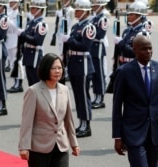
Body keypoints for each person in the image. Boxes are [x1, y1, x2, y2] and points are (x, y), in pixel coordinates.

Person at [112, 35, 158, 167]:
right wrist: (117, 136)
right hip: (133, 133)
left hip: (154, 134)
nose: (148, 52)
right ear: (135, 50)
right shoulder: (124, 72)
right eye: (144, 49)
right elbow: (117, 106)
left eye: (150, 48)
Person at [18, 53, 80, 167]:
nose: (58, 71)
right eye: (53, 68)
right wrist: (24, 147)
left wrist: (74, 143)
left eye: (60, 68)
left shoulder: (65, 90)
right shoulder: (33, 91)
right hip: (39, 147)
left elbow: (68, 120)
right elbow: (27, 122)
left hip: (61, 146)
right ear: (46, 69)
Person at [61, 0, 96, 138]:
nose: (76, 12)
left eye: (79, 10)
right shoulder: (76, 26)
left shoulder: (89, 27)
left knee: (83, 95)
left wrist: (69, 40)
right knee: (77, 96)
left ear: (86, 12)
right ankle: (81, 123)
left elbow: (85, 46)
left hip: (84, 64)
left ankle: (86, 125)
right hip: (74, 63)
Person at [19, 0, 48, 86]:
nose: (31, 10)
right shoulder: (30, 23)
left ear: (40, 9)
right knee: (31, 84)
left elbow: (37, 41)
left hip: (35, 55)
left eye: (34, 8)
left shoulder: (41, 24)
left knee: (37, 83)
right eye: (31, 8)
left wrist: (23, 34)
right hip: (28, 55)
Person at [114, 0, 150, 65]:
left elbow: (136, 52)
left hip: (134, 65)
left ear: (139, 16)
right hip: (122, 64)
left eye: (131, 14)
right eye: (128, 14)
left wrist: (121, 43)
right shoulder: (126, 31)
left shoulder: (142, 33)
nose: (128, 17)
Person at [90, 0, 110, 109]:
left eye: (95, 5)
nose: (93, 7)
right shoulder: (94, 17)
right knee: (94, 75)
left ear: (101, 5)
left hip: (98, 48)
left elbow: (100, 34)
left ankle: (100, 98)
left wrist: (89, 33)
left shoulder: (103, 18)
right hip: (92, 48)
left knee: (99, 75)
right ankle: (96, 96)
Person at [6, 0, 25, 93]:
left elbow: (19, 28)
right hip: (9, 40)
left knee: (18, 63)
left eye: (12, 2)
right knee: (12, 64)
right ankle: (15, 82)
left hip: (16, 41)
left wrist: (9, 22)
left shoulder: (19, 14)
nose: (10, 4)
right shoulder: (9, 13)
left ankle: (19, 83)